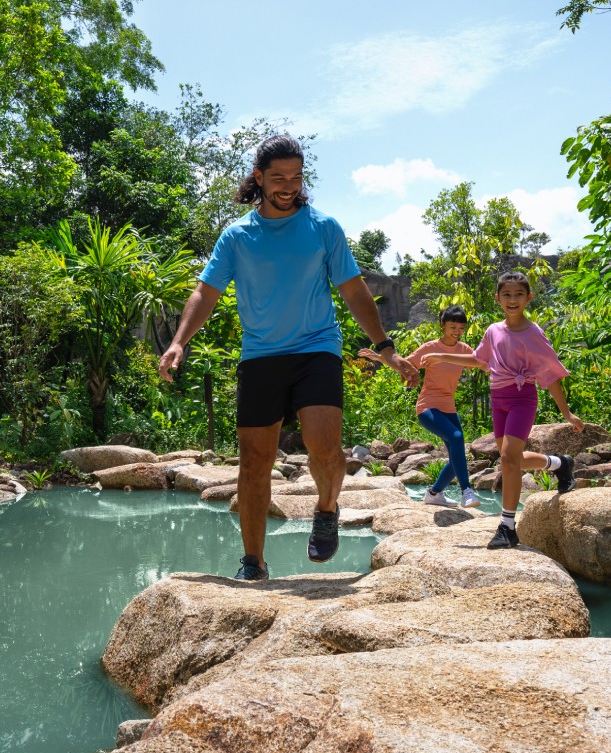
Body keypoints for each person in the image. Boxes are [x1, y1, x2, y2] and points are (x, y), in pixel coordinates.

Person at [158, 134, 418, 581]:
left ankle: (325, 508)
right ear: (258, 178)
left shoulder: (323, 228)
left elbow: (355, 292)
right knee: (254, 461)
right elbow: (206, 291)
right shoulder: (238, 236)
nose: (288, 185)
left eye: (296, 177)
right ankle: (253, 562)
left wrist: (385, 349)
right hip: (261, 356)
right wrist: (180, 340)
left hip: (317, 349)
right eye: (278, 177)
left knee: (326, 447)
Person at [473, 270, 584, 550]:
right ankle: (560, 463)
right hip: (497, 400)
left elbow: (552, 375)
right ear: (498, 298)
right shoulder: (493, 330)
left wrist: (567, 413)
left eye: (518, 294)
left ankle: (507, 527)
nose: (512, 300)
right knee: (513, 460)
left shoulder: (534, 334)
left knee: (509, 459)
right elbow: (478, 359)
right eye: (507, 295)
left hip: (523, 398)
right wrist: (437, 357)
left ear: (529, 298)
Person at [360, 306, 489, 508]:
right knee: (456, 437)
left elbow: (482, 363)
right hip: (427, 407)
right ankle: (467, 491)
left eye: (461, 328)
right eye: (452, 326)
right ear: (442, 325)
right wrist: (380, 357)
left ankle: (434, 493)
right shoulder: (430, 347)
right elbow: (404, 364)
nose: (456, 332)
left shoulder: (463, 349)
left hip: (449, 407)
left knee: (457, 459)